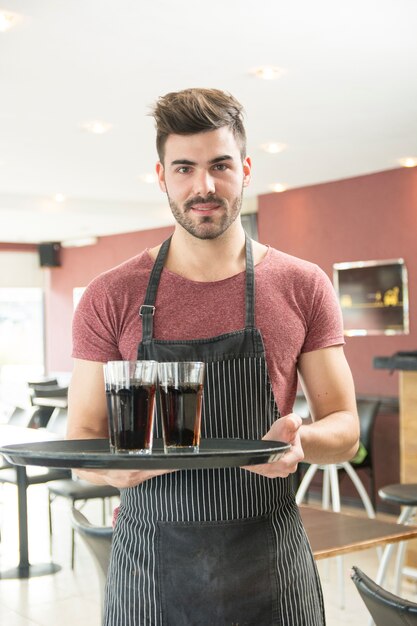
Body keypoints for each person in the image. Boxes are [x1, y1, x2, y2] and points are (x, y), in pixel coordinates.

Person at [67, 87, 360, 626]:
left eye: (220, 165)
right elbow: (82, 437)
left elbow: (345, 428)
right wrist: (110, 469)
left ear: (245, 169)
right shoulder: (110, 295)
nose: (204, 186)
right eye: (184, 168)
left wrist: (303, 442)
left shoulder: (302, 285)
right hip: (150, 565)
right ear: (161, 176)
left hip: (269, 561)